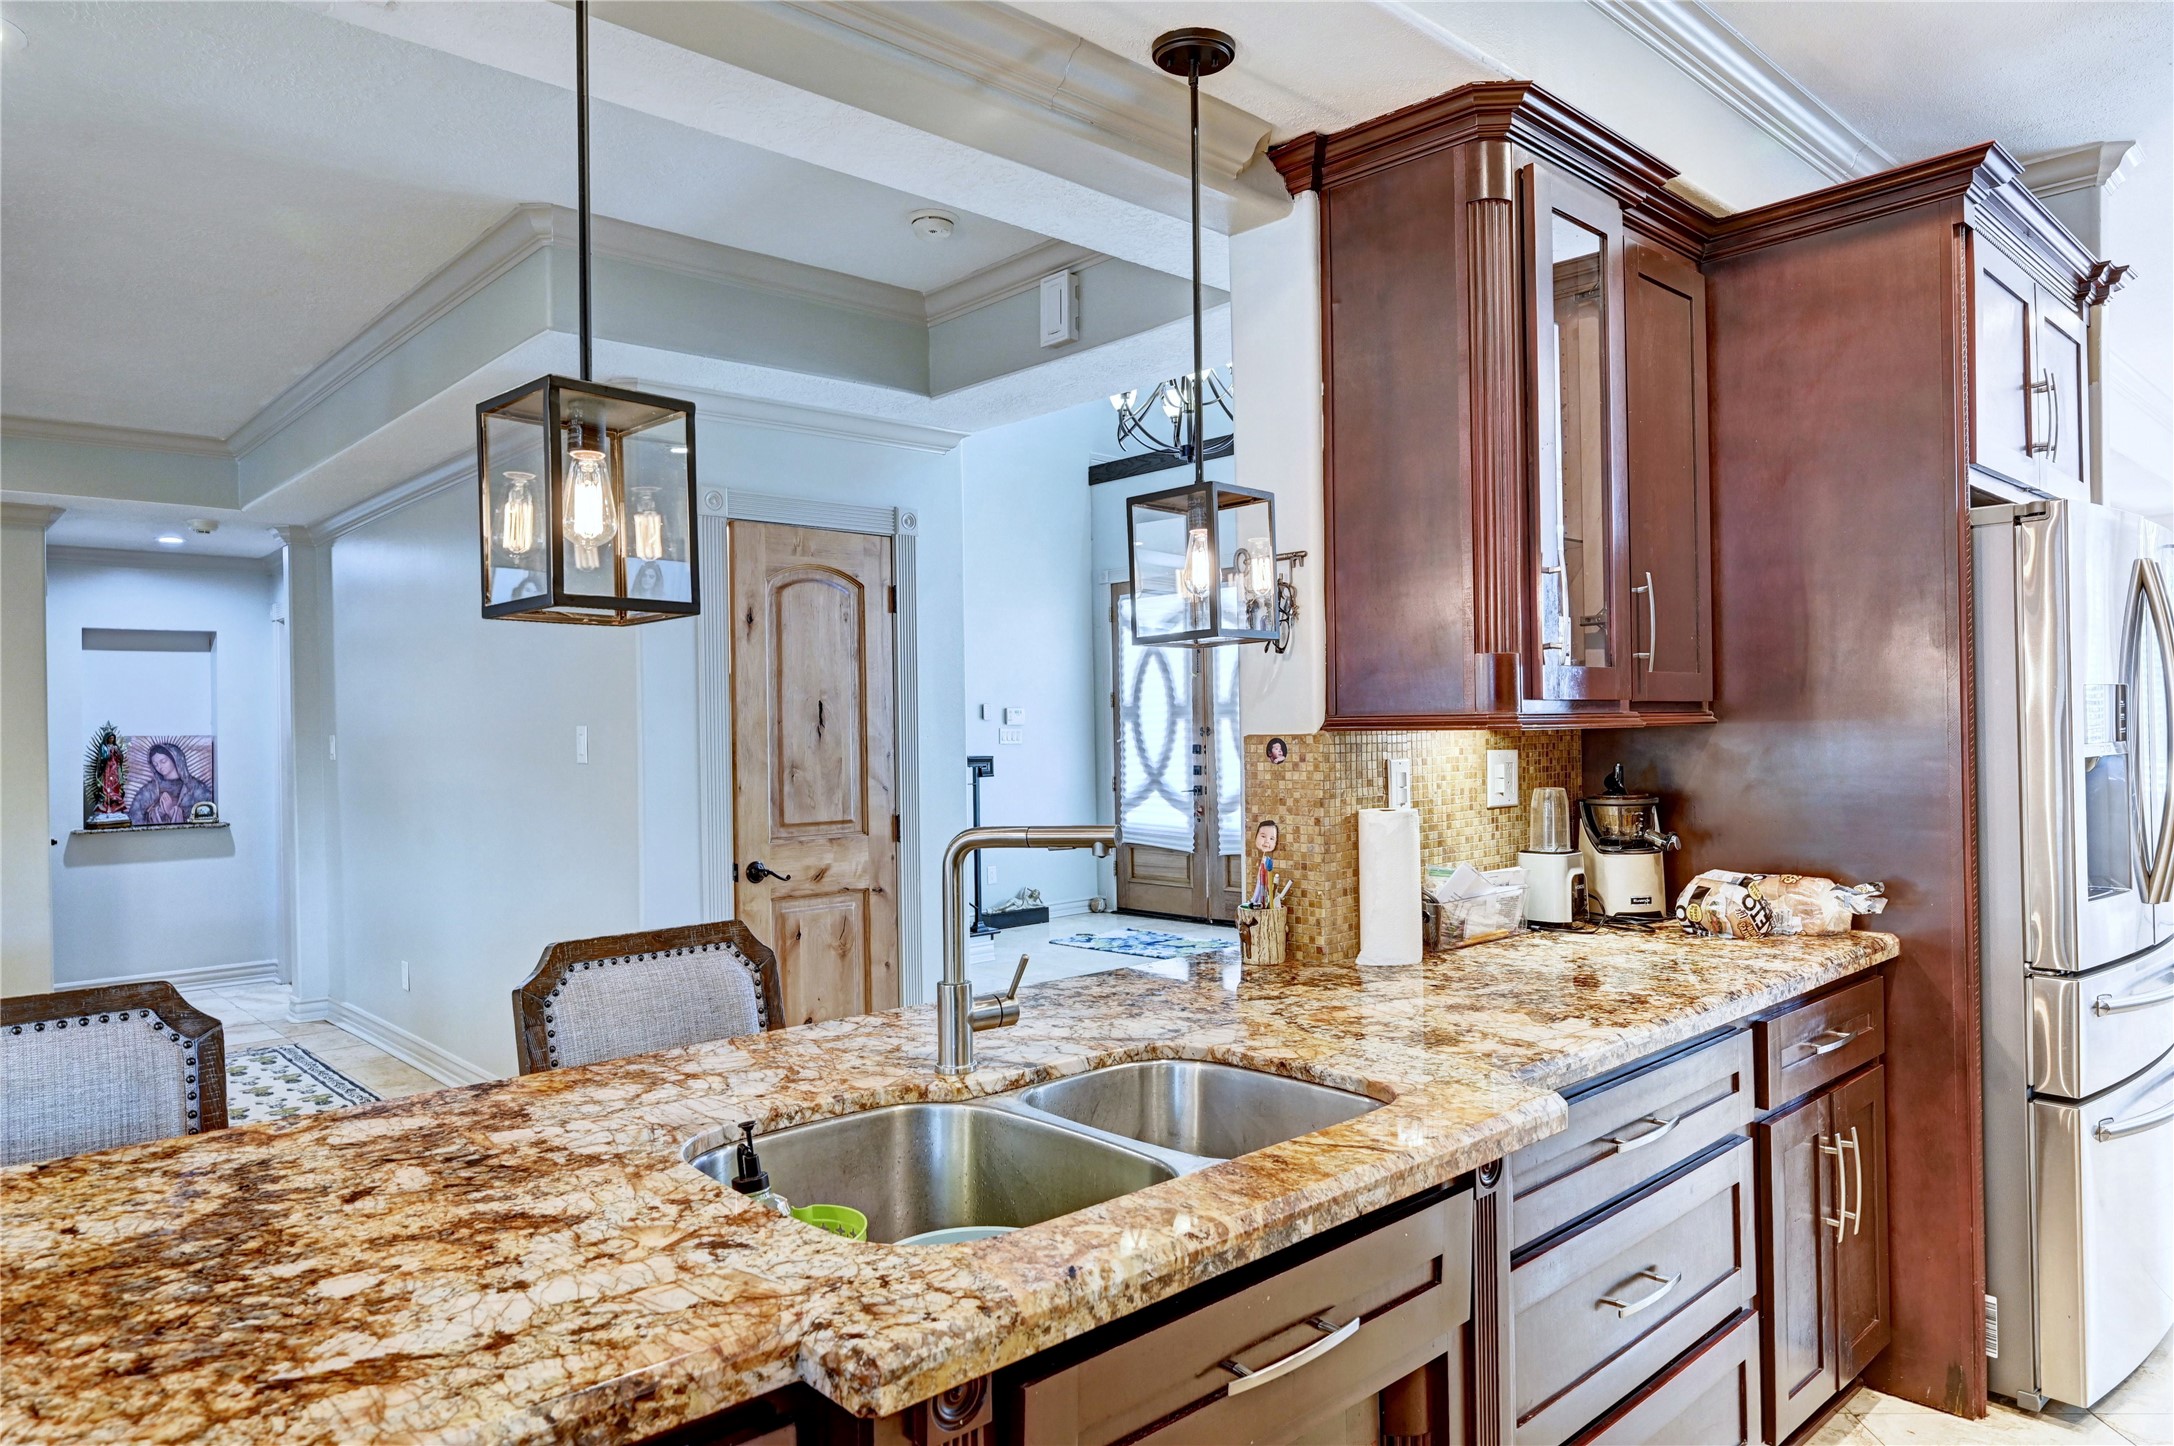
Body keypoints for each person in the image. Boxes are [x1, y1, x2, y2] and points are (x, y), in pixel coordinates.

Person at [129, 741, 213, 826]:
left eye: (163, 761)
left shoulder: (196, 787)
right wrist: (159, 812)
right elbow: (134, 817)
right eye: (155, 764)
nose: (159, 767)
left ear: (175, 759)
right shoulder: (150, 789)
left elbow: (207, 816)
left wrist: (172, 811)